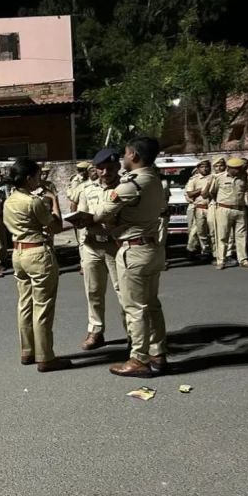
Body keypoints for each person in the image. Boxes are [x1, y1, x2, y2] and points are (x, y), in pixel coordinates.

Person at [79, 138, 167, 378]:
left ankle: (139, 359)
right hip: (151, 248)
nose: (124, 157)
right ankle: (158, 353)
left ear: (134, 155)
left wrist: (92, 220)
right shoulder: (154, 179)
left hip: (133, 250)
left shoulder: (131, 184)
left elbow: (100, 214)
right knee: (152, 305)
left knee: (135, 308)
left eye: (126, 153)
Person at [3, 158, 70, 372]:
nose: (40, 179)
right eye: (38, 175)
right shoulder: (33, 201)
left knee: (25, 304)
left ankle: (27, 351)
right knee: (42, 307)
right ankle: (45, 357)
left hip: (19, 253)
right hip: (37, 253)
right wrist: (54, 201)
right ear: (29, 178)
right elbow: (55, 226)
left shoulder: (9, 200)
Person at [75, 148, 125, 351]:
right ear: (95, 169)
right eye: (102, 168)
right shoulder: (87, 189)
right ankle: (95, 330)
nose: (106, 173)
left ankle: (133, 333)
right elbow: (81, 214)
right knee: (93, 291)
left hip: (116, 246)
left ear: (118, 167)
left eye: (110, 168)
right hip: (92, 245)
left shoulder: (125, 188)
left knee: (123, 292)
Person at [204, 158, 248, 270]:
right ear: (229, 168)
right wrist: (222, 202)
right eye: (236, 168)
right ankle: (221, 260)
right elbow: (212, 192)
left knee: (241, 236)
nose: (239, 170)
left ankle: (243, 260)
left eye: (240, 168)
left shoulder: (243, 177)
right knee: (222, 236)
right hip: (224, 209)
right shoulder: (219, 177)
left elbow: (246, 189)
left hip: (240, 209)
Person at [184, 159, 212, 260]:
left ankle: (213, 252)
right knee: (197, 231)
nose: (204, 169)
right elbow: (189, 194)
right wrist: (201, 190)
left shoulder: (213, 177)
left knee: (213, 231)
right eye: (202, 167)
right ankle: (193, 249)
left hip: (212, 207)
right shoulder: (194, 179)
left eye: (206, 167)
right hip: (198, 208)